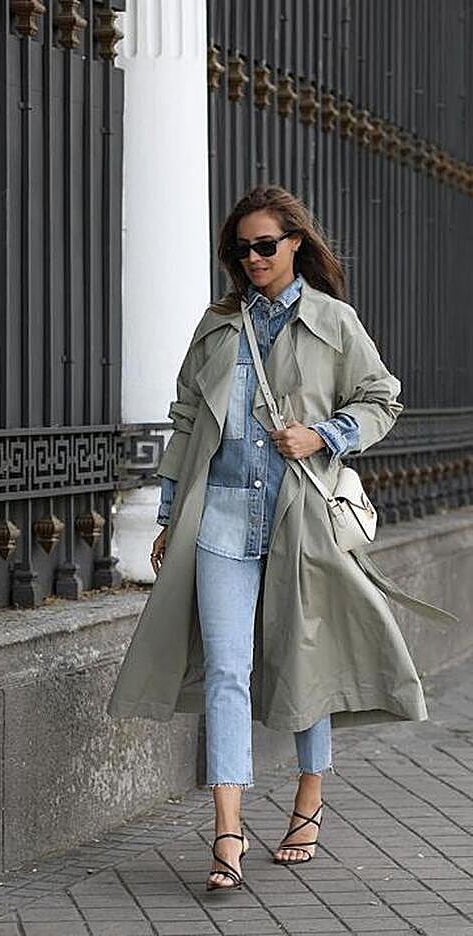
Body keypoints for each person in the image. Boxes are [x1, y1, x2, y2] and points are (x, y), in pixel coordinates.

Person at [107, 184, 457, 893]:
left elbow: (382, 398)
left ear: (296, 242)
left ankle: (308, 799)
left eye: (266, 245)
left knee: (305, 663)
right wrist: (169, 514)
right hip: (221, 518)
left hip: (300, 520)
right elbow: (186, 419)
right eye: (242, 249)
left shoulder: (333, 320)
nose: (254, 258)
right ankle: (227, 832)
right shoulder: (218, 323)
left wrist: (324, 435)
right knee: (227, 673)